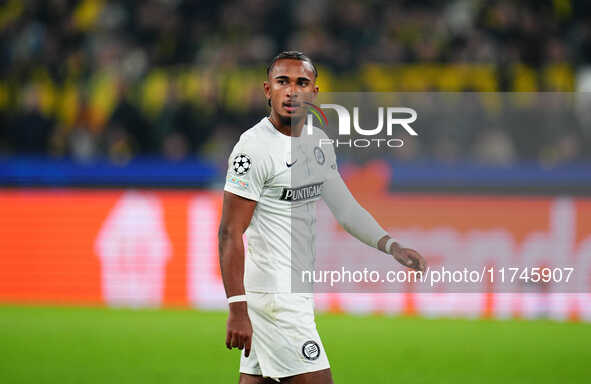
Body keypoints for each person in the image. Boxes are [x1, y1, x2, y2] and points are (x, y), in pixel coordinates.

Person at [218, 51, 426, 384]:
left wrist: (390, 245)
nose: (292, 91)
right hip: (274, 297)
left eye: (302, 83)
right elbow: (230, 232)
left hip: (294, 293)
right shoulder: (253, 148)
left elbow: (345, 208)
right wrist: (237, 307)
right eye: (282, 82)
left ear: (314, 92)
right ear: (267, 90)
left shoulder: (317, 143)